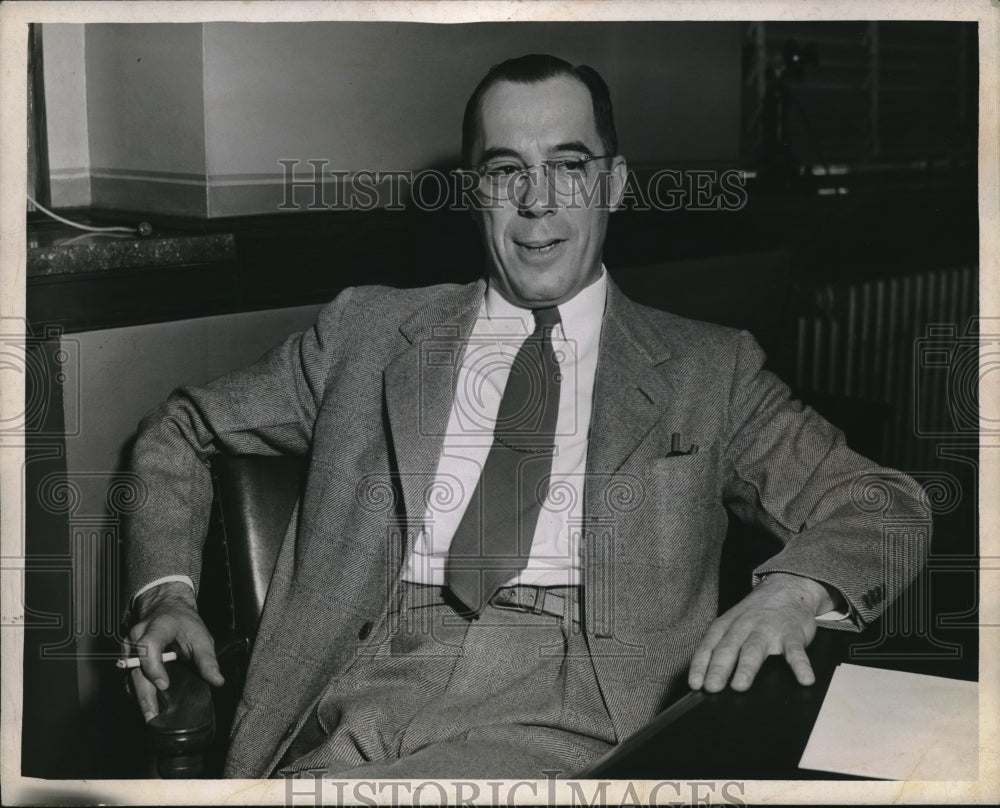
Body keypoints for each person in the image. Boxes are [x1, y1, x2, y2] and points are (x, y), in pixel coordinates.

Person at [124, 54, 929, 779]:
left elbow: (883, 502)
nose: (538, 202)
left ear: (614, 183)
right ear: (475, 190)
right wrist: (166, 591)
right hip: (360, 682)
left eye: (569, 166)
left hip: (577, 705)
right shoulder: (364, 335)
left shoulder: (707, 369)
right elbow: (179, 428)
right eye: (507, 169)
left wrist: (791, 592)